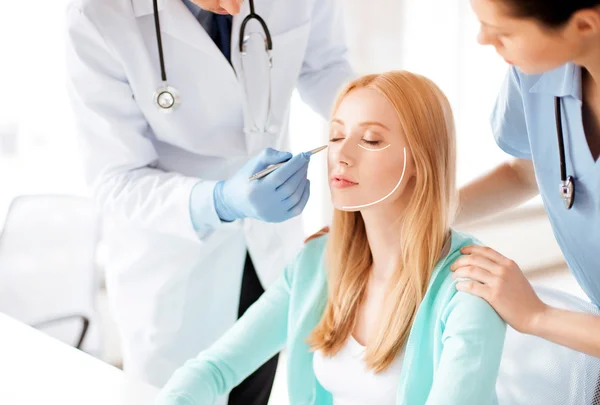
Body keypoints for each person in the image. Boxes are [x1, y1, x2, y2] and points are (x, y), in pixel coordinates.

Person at [155, 71, 507, 405]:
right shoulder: (316, 263)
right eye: (336, 136)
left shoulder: (471, 285)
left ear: (421, 159)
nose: (342, 154)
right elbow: (215, 369)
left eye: (371, 139)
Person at [64, 0, 354, 403]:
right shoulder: (98, 14)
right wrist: (219, 200)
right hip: (174, 264)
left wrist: (372, 111)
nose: (235, 7)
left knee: (254, 388)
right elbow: (115, 178)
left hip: (267, 258)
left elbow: (324, 66)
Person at [453, 0, 600, 357]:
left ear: (584, 24)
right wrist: (422, 212)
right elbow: (527, 172)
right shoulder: (540, 69)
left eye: (504, 32)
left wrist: (535, 315)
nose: (482, 39)